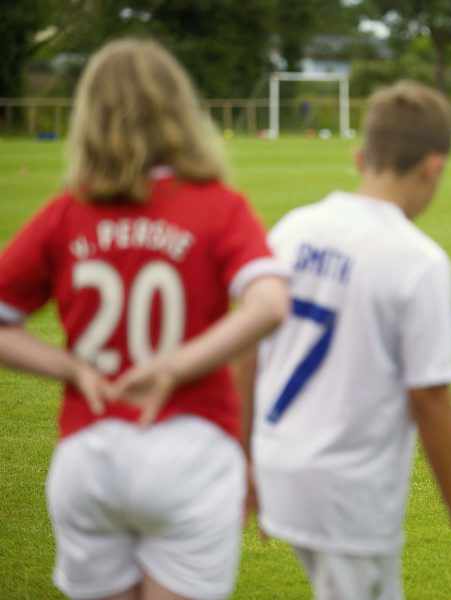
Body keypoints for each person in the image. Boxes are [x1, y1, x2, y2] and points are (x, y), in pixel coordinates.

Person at [0, 39, 290, 599]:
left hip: (90, 454)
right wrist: (178, 365)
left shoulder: (66, 212)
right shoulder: (217, 205)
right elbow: (270, 303)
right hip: (190, 451)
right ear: (179, 111)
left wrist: (69, 367)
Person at [239, 81, 451, 600]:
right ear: (434, 167)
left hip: (279, 459)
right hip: (348, 486)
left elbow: (247, 352)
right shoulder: (417, 260)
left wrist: (246, 460)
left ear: (360, 156)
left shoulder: (294, 229)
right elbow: (429, 396)